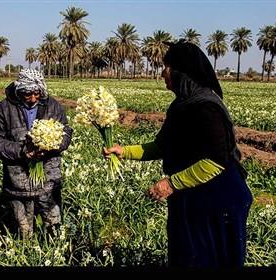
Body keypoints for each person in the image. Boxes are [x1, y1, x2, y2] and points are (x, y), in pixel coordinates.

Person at [103, 40, 253, 267]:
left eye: (167, 66)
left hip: (218, 197)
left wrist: (170, 184)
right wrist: (124, 151)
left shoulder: (206, 107)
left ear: (182, 72)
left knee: (209, 260)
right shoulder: (181, 106)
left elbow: (215, 161)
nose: (163, 72)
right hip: (194, 194)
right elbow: (162, 146)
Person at [0, 69, 73, 238]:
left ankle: (53, 253)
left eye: (36, 93)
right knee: (22, 231)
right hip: (18, 183)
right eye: (27, 94)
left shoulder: (53, 106)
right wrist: (22, 151)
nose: (32, 99)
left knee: (53, 227)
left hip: (48, 179)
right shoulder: (4, 108)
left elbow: (66, 132)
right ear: (18, 90)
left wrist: (52, 146)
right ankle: (26, 251)